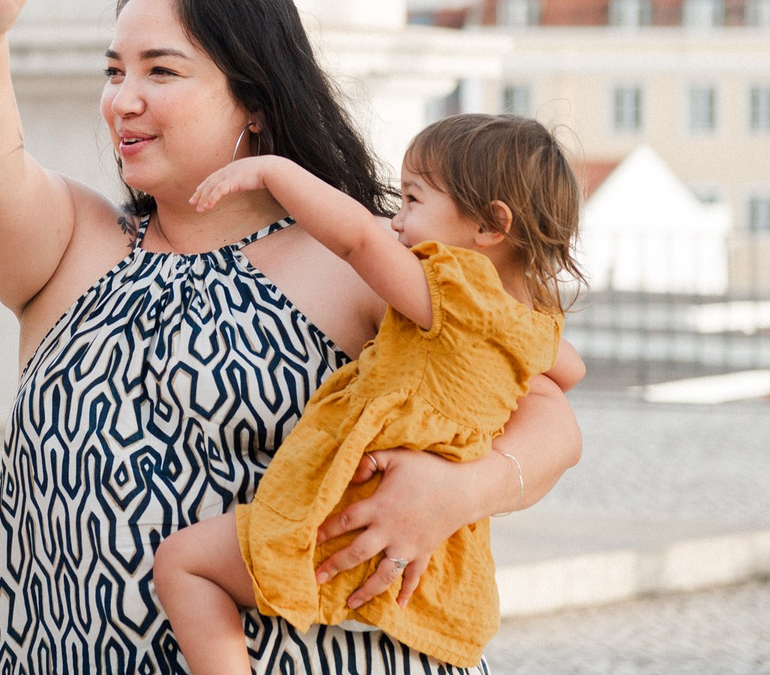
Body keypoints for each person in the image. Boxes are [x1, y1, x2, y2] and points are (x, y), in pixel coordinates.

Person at [0, 0, 584, 674]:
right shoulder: (73, 242)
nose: (123, 98)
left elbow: (547, 407)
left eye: (161, 70)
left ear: (253, 102)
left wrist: (465, 490)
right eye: (115, 70)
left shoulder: (361, 255)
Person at [152, 114, 587, 672]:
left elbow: (356, 238)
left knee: (184, 565)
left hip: (354, 509)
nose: (397, 221)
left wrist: (273, 172)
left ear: (489, 225)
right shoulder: (532, 325)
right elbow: (570, 370)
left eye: (413, 200)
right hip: (423, 536)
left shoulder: (451, 290)